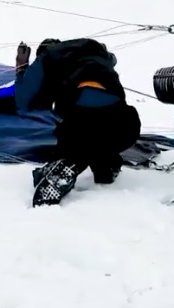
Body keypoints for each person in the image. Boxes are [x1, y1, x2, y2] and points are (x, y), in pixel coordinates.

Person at [14, 37, 142, 207]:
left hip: (79, 122)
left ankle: (69, 164)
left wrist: (21, 69)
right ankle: (106, 164)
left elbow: (24, 102)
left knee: (75, 140)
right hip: (122, 123)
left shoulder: (45, 59)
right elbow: (111, 59)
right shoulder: (92, 47)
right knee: (103, 131)